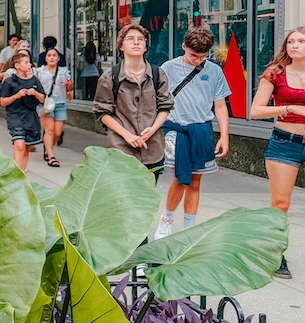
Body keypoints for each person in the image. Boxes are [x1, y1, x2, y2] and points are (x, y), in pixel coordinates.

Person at [154, 27, 231, 240]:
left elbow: (220, 106)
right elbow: (157, 100)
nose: (198, 61)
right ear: (184, 47)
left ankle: (189, 226)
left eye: (203, 57)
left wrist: (224, 136)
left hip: (201, 129)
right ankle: (167, 219)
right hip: (175, 128)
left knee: (196, 180)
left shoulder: (214, 71)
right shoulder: (168, 68)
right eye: (193, 55)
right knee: (181, 177)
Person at [250, 26, 305, 279]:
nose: (295, 45)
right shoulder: (276, 73)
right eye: (291, 41)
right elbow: (256, 111)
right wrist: (288, 108)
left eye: (301, 41)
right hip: (286, 142)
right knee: (281, 204)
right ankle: (275, 255)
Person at [93, 24, 174, 176]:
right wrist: (127, 135)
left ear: (145, 47)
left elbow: (165, 107)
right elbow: (102, 112)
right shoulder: (110, 77)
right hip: (121, 148)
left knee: (147, 197)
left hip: (152, 148)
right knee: (124, 198)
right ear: (121, 46)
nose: (136, 42)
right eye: (130, 39)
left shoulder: (158, 74)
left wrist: (153, 129)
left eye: (141, 40)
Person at [0, 50, 45, 171]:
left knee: (27, 147)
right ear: (17, 66)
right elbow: (3, 102)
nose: (30, 65)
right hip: (14, 115)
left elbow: (43, 98)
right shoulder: (9, 81)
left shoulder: (34, 80)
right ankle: (15, 174)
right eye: (26, 62)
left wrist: (34, 93)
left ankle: (21, 173)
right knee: (19, 145)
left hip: (30, 115)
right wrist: (16, 96)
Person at [36, 47, 72, 167]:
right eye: (49, 55)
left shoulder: (64, 71)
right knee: (49, 130)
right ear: (45, 58)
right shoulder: (40, 71)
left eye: (54, 55)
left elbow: (70, 87)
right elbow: (35, 85)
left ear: (58, 58)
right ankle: (51, 156)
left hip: (60, 103)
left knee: (57, 132)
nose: (52, 57)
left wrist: (69, 85)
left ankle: (48, 147)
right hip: (45, 104)